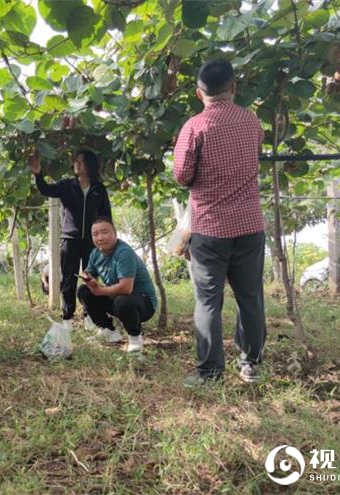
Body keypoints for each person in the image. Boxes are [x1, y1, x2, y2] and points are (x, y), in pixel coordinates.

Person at [173, 59, 267, 385]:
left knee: (208, 300)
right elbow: (256, 151)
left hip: (210, 228)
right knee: (251, 297)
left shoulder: (195, 127)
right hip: (250, 225)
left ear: (200, 94)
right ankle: (251, 365)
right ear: (233, 87)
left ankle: (210, 372)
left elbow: (182, 176)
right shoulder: (251, 122)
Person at [29, 148, 112, 331]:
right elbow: (45, 189)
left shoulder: (99, 189)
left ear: (89, 165)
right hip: (70, 239)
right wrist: (38, 174)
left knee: (90, 279)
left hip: (92, 242)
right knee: (68, 279)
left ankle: (89, 315)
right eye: (76, 161)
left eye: (81, 161)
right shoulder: (67, 185)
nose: (77, 164)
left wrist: (106, 240)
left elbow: (106, 215)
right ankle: (67, 318)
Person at [77, 217, 157, 353]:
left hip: (142, 303)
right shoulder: (95, 253)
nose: (100, 237)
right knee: (84, 291)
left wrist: (100, 290)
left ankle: (135, 338)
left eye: (104, 232)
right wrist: (88, 278)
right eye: (95, 234)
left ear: (115, 234)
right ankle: (108, 331)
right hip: (116, 299)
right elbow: (89, 272)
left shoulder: (124, 252)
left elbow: (126, 288)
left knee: (123, 300)